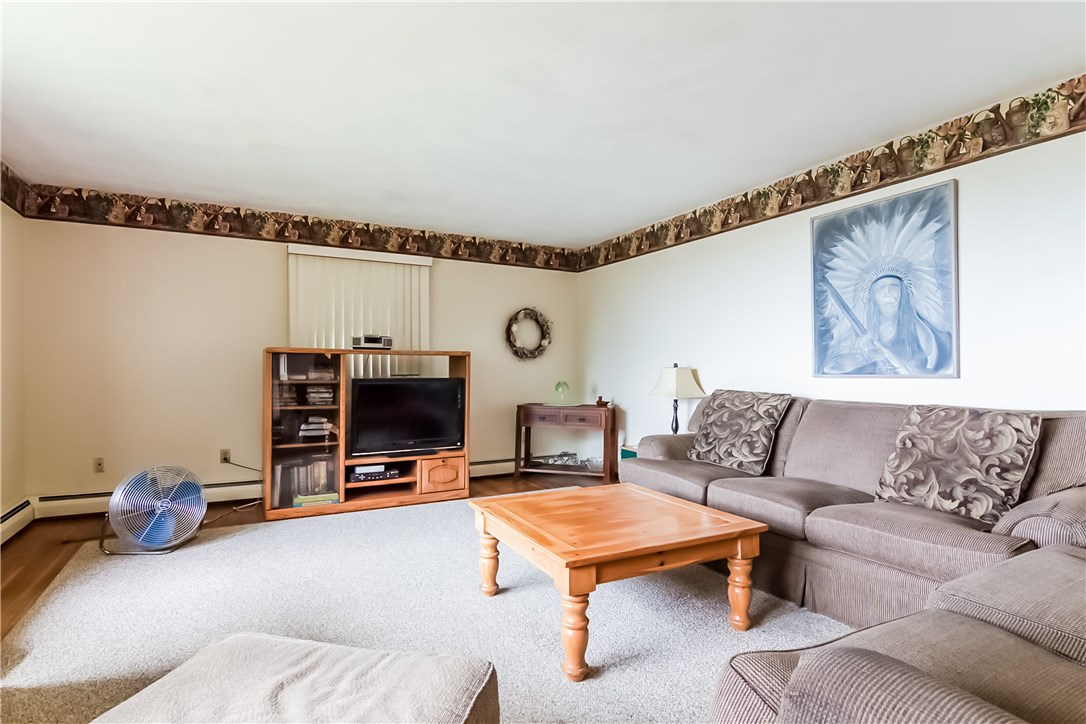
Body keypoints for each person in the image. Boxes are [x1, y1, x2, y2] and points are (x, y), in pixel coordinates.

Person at [823, 274, 952, 376]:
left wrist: (892, 357)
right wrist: (864, 354)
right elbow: (830, 367)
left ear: (903, 293)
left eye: (894, 287)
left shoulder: (915, 326)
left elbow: (930, 361)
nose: (888, 293)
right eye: (881, 289)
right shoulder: (860, 330)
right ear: (873, 297)